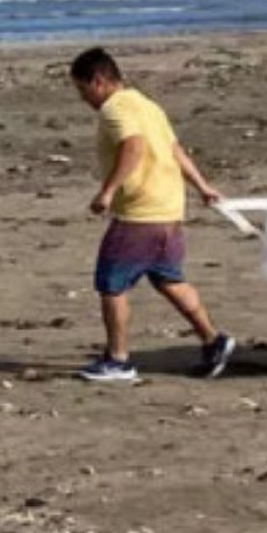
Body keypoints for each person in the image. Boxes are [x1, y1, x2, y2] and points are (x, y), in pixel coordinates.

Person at [67, 48, 235, 384]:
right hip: (169, 209)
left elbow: (134, 147)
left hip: (140, 213)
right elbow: (175, 151)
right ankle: (214, 340)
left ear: (99, 81)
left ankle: (118, 361)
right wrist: (202, 186)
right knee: (169, 279)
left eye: (83, 90)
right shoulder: (148, 105)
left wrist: (109, 191)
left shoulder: (116, 109)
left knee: (112, 285)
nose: (83, 98)